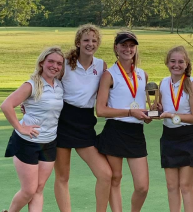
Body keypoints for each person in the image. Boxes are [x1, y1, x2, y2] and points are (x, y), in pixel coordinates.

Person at [54, 24, 112, 212]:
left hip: (85, 124)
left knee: (105, 174)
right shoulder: (63, 63)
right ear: (78, 43)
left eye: (94, 41)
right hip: (62, 121)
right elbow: (44, 83)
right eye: (86, 40)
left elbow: (112, 91)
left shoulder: (101, 65)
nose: (90, 44)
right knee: (63, 177)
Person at [1, 46, 65, 212]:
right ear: (42, 62)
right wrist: (20, 128)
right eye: (51, 61)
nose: (54, 66)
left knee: (39, 188)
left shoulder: (59, 85)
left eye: (59, 63)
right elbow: (6, 105)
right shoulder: (31, 84)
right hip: (27, 142)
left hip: (49, 142)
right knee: (29, 190)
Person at [95, 31, 151, 212]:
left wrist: (150, 113)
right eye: (123, 45)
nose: (128, 49)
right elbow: (100, 110)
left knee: (142, 186)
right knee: (116, 178)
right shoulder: (108, 75)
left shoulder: (143, 75)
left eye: (131, 46)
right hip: (115, 131)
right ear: (116, 48)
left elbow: (144, 106)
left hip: (136, 133)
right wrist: (129, 112)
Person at [155, 46, 193, 212]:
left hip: (189, 137)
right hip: (169, 137)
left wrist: (171, 115)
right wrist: (157, 109)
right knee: (171, 186)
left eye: (181, 61)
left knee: (185, 186)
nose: (176, 65)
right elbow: (161, 110)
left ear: (187, 63)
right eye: (173, 61)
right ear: (167, 63)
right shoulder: (163, 83)